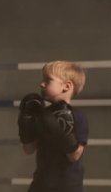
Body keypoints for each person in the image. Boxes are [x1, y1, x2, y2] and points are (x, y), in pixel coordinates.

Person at [17, 60, 88, 192]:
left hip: (68, 187)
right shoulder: (42, 114)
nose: (41, 83)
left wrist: (59, 129)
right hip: (40, 185)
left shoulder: (77, 116)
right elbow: (28, 150)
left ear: (66, 86)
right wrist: (26, 122)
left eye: (48, 80)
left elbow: (74, 156)